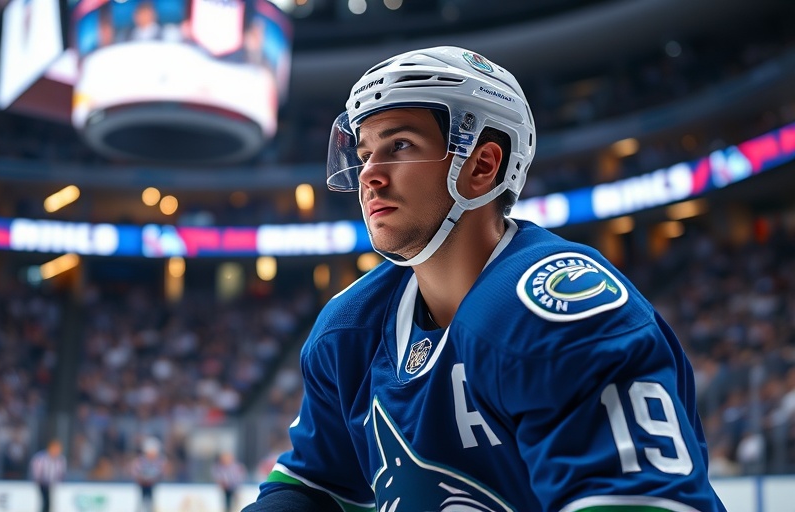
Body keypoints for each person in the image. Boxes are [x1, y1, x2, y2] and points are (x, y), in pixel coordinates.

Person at [243, 46, 726, 511]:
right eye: (366, 153)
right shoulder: (348, 330)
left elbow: (637, 504)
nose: (370, 174)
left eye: (400, 145)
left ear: (482, 165)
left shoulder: (557, 307)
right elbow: (314, 487)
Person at [131, 437, 168, 512]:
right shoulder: (140, 461)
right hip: (142, 485)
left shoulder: (161, 461)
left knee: (152, 503)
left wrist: (155, 478)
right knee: (141, 503)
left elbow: (164, 473)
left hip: (154, 485)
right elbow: (134, 472)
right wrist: (142, 479)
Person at [30, 439, 66, 512]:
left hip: (53, 484)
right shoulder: (40, 458)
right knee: (45, 502)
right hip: (42, 484)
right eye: (56, 448)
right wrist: (42, 481)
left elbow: (61, 473)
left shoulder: (61, 460)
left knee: (50, 503)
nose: (57, 451)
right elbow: (36, 473)